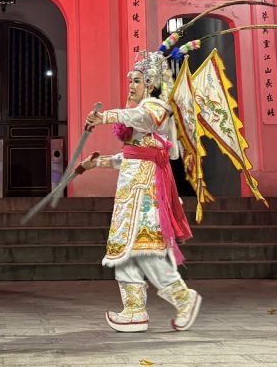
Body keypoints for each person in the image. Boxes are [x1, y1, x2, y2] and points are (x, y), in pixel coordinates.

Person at [80, 50, 201, 333]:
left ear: (150, 83)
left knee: (148, 253)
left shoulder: (156, 108)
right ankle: (134, 311)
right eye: (130, 81)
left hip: (148, 193)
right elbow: (131, 157)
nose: (131, 85)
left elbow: (143, 120)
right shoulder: (137, 118)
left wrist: (105, 116)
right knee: (124, 253)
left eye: (137, 80)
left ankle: (184, 299)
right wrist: (97, 162)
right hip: (130, 193)